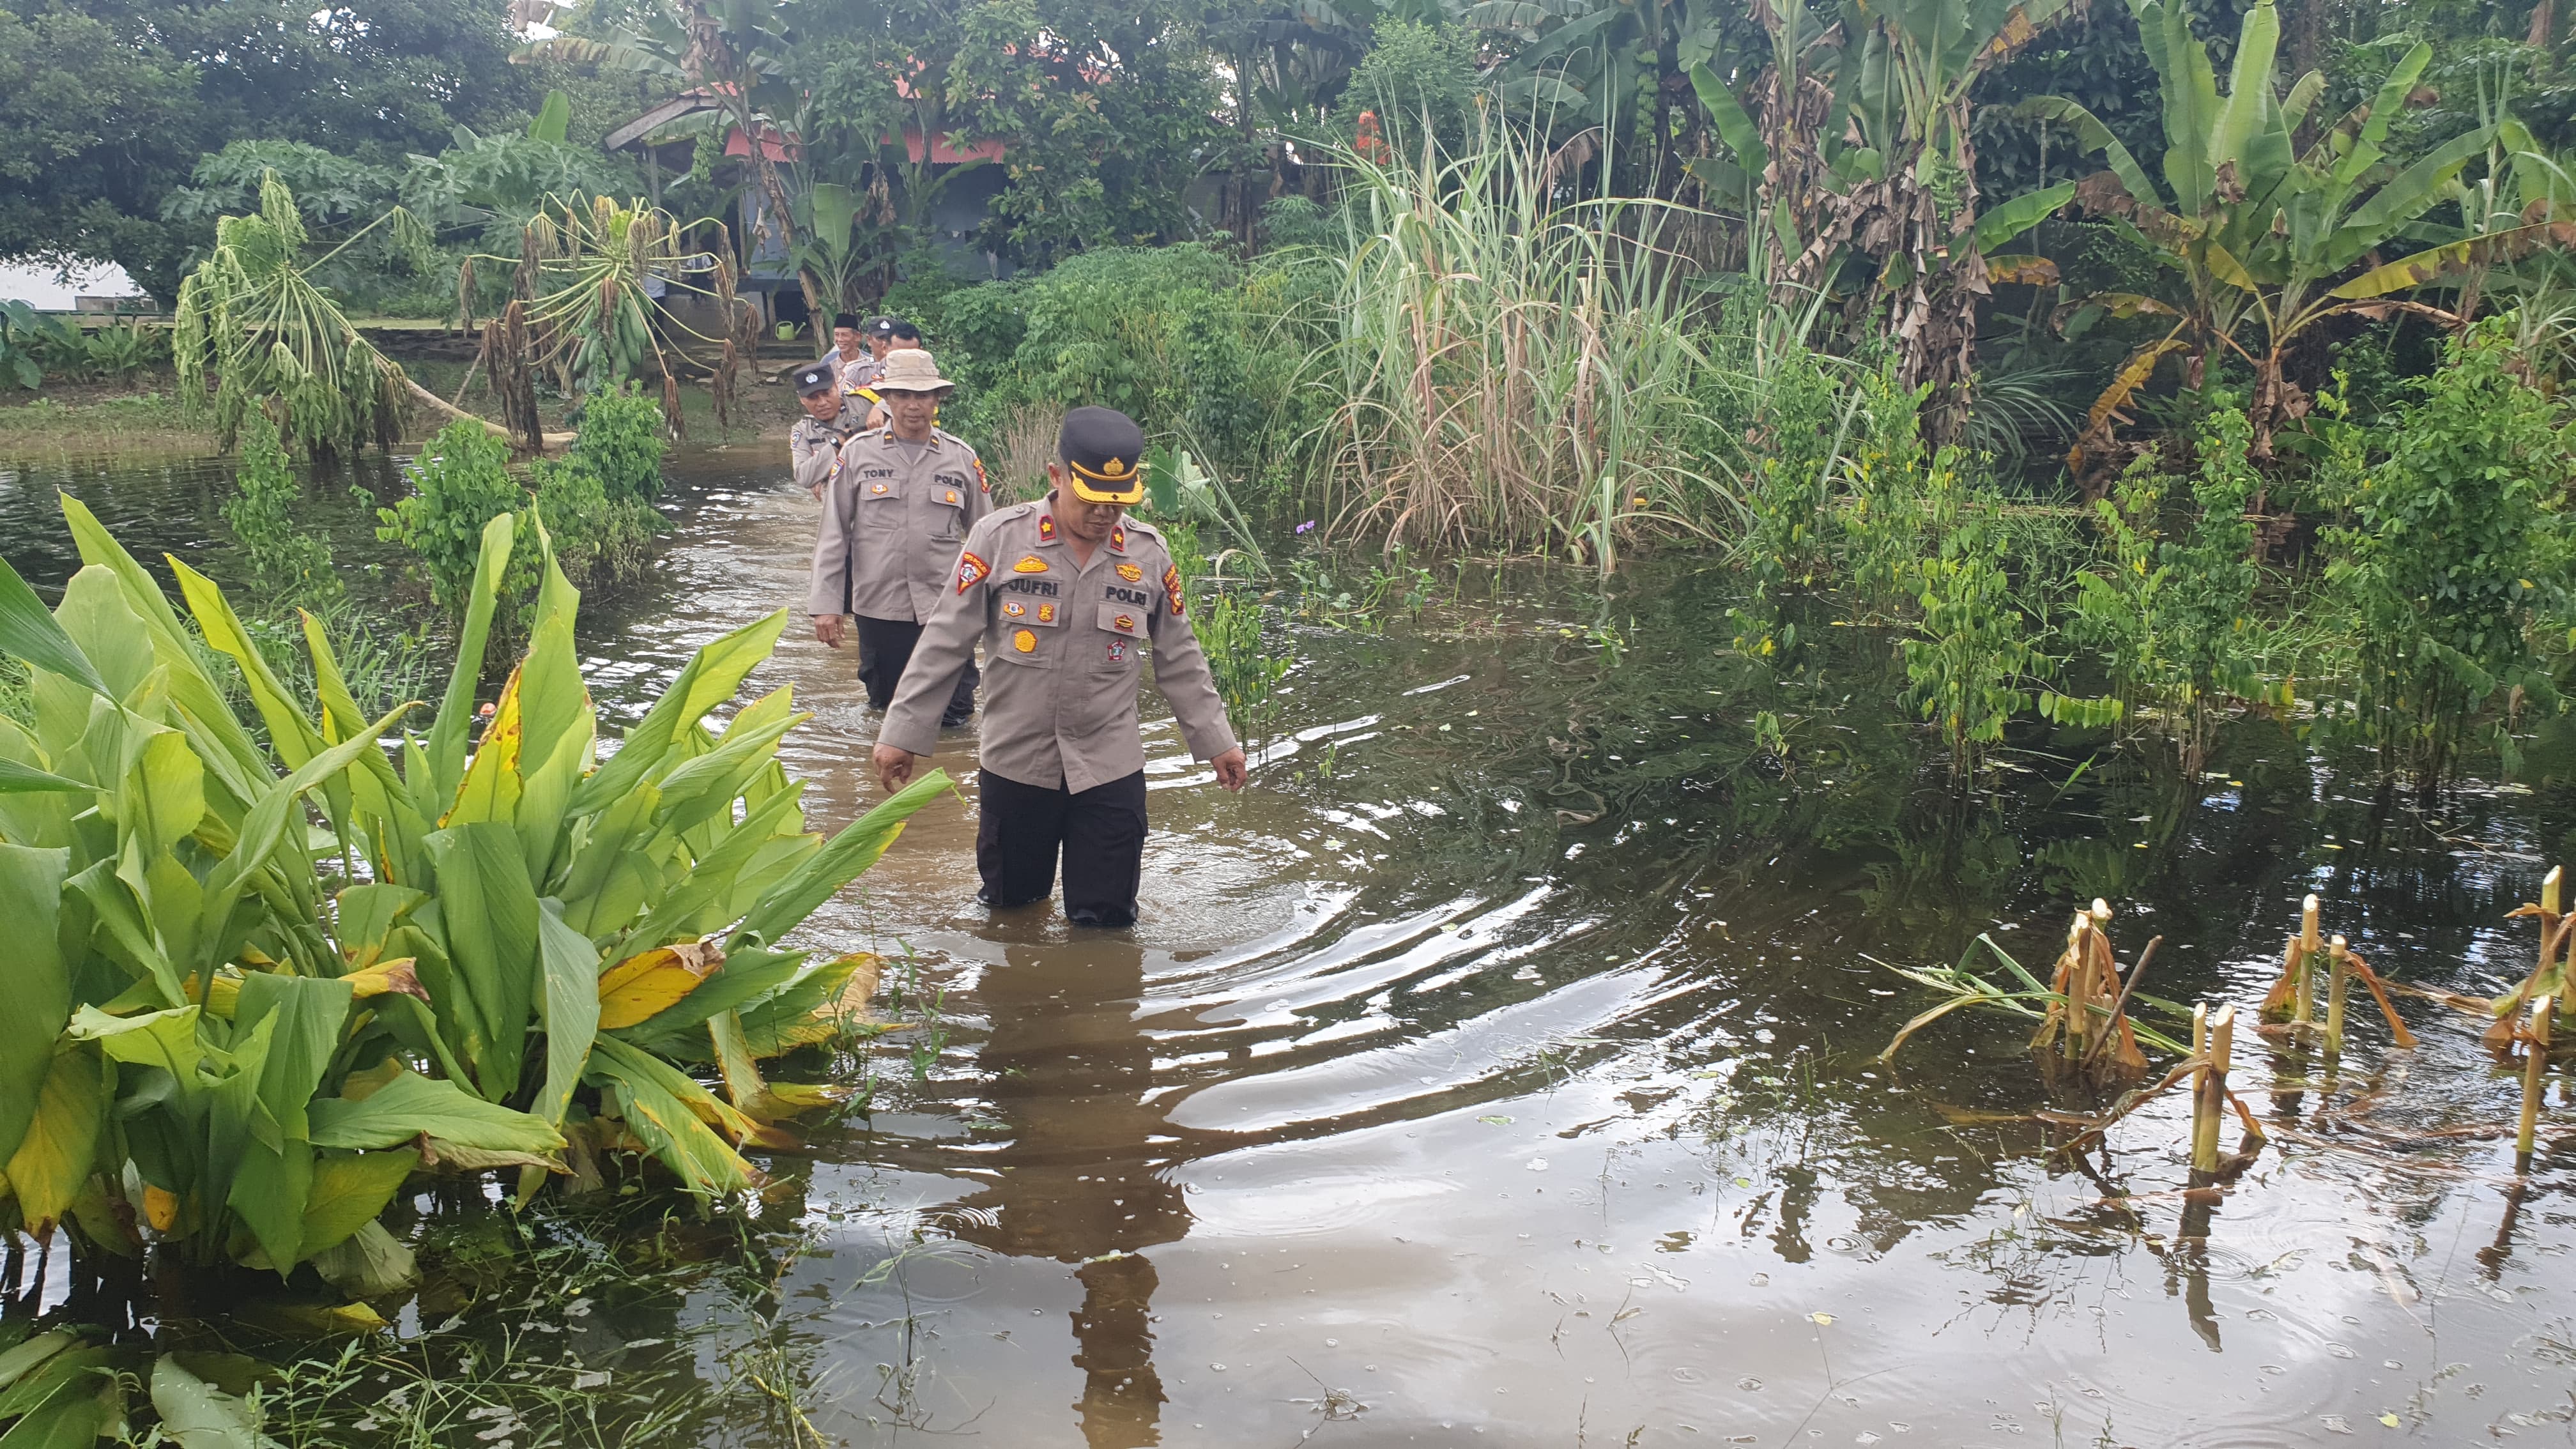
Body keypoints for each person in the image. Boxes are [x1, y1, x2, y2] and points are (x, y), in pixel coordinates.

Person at [873, 405, 1250, 928]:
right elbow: (944, 640)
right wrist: (903, 733)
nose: (1104, 515)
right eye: (1091, 499)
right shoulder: (998, 539)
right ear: (1057, 476)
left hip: (1109, 766)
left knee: (1109, 924)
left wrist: (1218, 742)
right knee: (1011, 912)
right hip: (1017, 764)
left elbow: (1180, 657)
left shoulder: (1148, 554)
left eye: (1116, 504)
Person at [809, 348, 988, 726]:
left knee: (955, 715)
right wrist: (826, 605)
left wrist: (992, 606)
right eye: (903, 395)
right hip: (879, 607)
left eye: (922, 395)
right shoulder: (857, 454)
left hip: (947, 608)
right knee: (887, 715)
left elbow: (986, 538)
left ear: (937, 399)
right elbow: (834, 533)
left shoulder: (962, 458)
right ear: (887, 398)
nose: (913, 405)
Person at [787, 362, 867, 501]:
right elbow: (804, 477)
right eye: (813, 398)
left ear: (836, 387)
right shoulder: (803, 430)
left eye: (826, 393)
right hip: (835, 498)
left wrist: (881, 410)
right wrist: (837, 443)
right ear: (802, 399)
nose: (822, 402)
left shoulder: (862, 404)